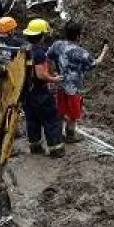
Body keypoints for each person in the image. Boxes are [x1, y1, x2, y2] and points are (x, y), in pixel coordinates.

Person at [46, 21, 107, 142]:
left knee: (60, 111)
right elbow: (95, 63)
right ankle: (70, 136)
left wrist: (52, 74)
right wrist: (104, 50)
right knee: (73, 114)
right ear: (79, 36)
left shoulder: (57, 45)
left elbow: (47, 57)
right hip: (74, 88)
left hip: (60, 84)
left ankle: (57, 133)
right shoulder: (81, 53)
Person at [21, 19, 65, 157]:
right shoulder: (39, 53)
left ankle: (35, 147)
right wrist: (54, 79)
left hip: (26, 92)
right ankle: (56, 149)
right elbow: (40, 75)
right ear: (41, 35)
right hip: (40, 92)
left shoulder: (23, 48)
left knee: (32, 120)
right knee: (51, 119)